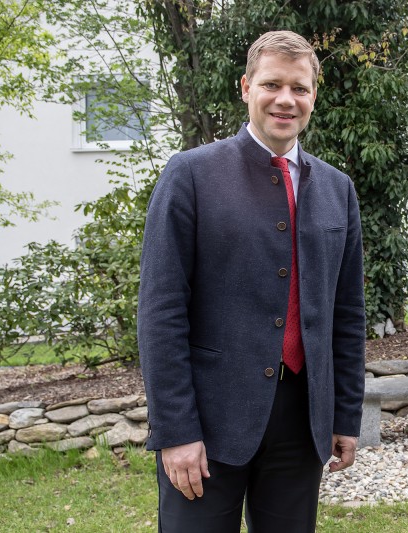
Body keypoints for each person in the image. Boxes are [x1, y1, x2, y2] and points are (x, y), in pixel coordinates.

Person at [137, 30, 366, 533]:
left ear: (313, 95)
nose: (286, 99)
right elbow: (161, 312)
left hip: (301, 423)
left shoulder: (338, 189)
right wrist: (176, 430)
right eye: (272, 85)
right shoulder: (191, 175)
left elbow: (347, 314)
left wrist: (345, 415)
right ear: (246, 88)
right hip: (208, 423)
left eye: (299, 88)